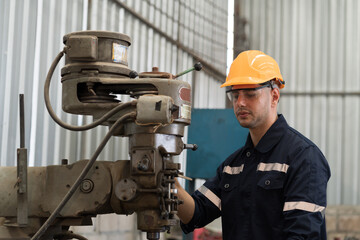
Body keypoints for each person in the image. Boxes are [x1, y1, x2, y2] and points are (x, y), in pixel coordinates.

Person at [175, 50, 331, 239]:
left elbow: (303, 235)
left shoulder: (303, 157)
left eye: (250, 94)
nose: (240, 102)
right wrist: (169, 185)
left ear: (274, 96)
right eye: (235, 95)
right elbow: (196, 213)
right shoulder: (233, 166)